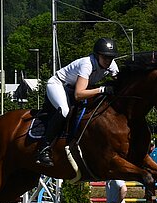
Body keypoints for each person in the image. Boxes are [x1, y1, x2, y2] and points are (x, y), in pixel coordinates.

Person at [35, 38, 120, 166]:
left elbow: (119, 82)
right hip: (59, 85)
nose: (108, 61)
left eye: (111, 58)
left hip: (75, 88)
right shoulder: (87, 65)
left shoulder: (111, 65)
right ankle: (43, 149)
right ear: (97, 56)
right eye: (105, 57)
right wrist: (102, 89)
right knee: (64, 111)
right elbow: (79, 94)